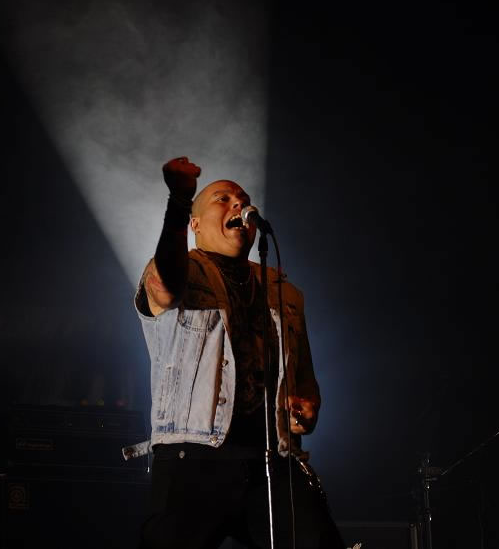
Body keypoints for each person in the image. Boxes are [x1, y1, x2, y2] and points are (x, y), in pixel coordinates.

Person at [124, 157, 344, 549]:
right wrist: (179, 201)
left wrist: (306, 409)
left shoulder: (286, 292)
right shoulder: (180, 270)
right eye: (222, 199)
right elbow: (166, 289)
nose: (238, 204)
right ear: (195, 225)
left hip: (271, 459)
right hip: (193, 458)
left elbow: (306, 382)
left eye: (241, 199)